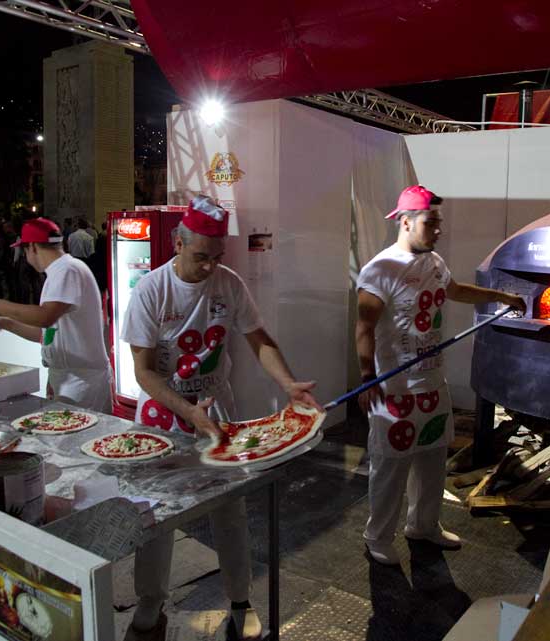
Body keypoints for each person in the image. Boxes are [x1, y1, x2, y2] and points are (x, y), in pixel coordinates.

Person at [120, 196, 321, 640]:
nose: (210, 267)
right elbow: (144, 370)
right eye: (200, 257)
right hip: (164, 416)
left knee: (230, 512)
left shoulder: (228, 284)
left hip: (217, 410)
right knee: (156, 515)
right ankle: (150, 606)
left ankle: (239, 600)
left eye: (217, 258)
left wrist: (288, 384)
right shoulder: (152, 290)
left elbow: (259, 339)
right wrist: (188, 411)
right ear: (177, 242)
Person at [355, 185, 525, 566]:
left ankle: (424, 526)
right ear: (406, 222)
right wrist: (367, 377)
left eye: (438, 224)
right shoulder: (380, 269)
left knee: (432, 463)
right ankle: (378, 537)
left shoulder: (434, 262)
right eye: (431, 223)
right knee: (390, 469)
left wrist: (500, 297)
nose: (438, 231)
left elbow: (456, 290)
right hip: (395, 389)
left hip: (432, 384)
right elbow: (364, 327)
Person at [0, 218, 111, 412]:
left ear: (31, 247)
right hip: (68, 377)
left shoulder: (68, 269)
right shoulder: (58, 272)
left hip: (83, 381)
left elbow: (44, 317)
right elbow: (46, 333)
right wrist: (5, 323)